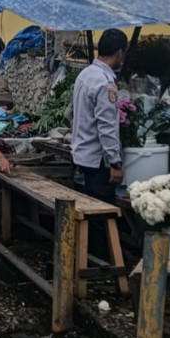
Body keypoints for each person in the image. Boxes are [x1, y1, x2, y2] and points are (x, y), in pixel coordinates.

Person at [70, 28, 127, 257]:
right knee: (101, 215)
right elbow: (107, 127)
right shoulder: (105, 83)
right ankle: (100, 261)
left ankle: (88, 256)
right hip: (97, 160)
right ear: (120, 53)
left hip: (82, 154)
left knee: (88, 208)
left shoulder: (86, 75)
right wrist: (115, 162)